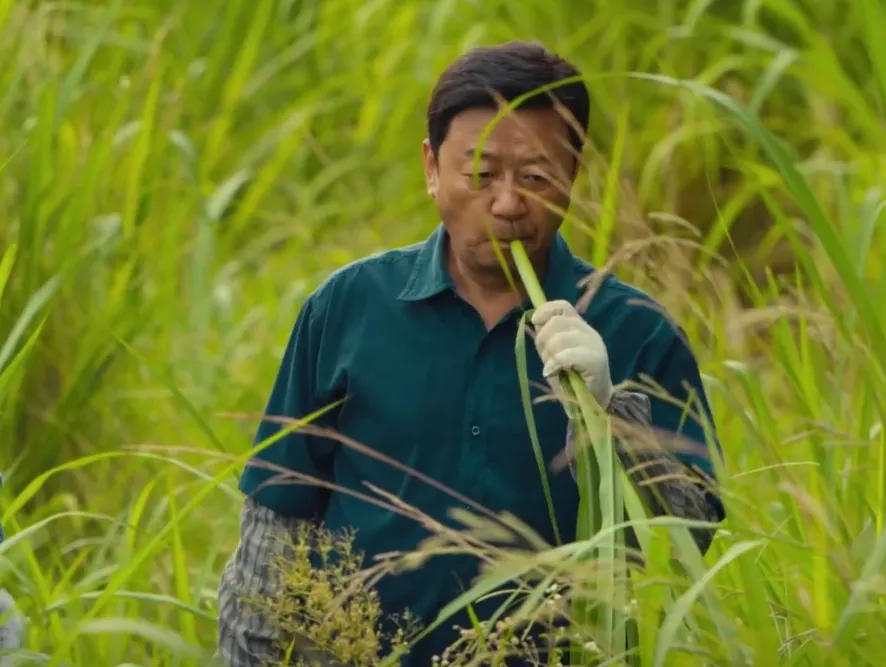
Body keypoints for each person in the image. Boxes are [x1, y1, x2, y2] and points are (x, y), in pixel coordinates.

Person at [216, 40, 725, 667]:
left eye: (536, 177)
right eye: (480, 175)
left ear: (574, 174)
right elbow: (273, 536)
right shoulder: (347, 308)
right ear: (432, 168)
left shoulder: (635, 331)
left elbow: (689, 544)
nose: (508, 204)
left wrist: (611, 417)